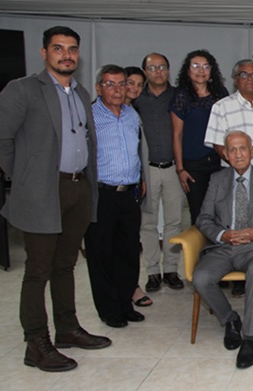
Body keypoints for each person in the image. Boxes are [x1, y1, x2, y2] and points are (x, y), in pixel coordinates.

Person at [0, 25, 111, 372]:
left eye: (72, 49)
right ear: (45, 53)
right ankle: (36, 342)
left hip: (77, 188)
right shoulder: (24, 90)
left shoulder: (80, 92)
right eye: (59, 48)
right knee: (37, 269)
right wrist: (26, 179)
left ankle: (67, 328)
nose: (66, 55)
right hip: (43, 191)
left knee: (66, 265)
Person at [192, 131, 253, 369]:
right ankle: (230, 319)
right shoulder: (217, 179)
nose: (238, 154)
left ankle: (249, 337)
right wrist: (222, 235)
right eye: (233, 150)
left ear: (252, 150)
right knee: (201, 277)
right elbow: (203, 218)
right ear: (225, 154)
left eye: (243, 148)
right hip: (223, 245)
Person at [203, 58, 253, 296]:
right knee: (236, 219)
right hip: (234, 175)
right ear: (235, 79)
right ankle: (239, 279)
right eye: (244, 75)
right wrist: (239, 163)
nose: (249, 79)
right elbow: (217, 142)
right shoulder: (221, 107)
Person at [83, 65, 145, 330]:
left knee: (128, 253)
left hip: (129, 195)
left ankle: (124, 304)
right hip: (101, 195)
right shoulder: (88, 116)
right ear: (99, 88)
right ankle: (109, 310)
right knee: (101, 254)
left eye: (122, 84)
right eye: (110, 84)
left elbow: (139, 151)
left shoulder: (132, 115)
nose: (117, 90)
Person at [135, 52, 186, 294]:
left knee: (174, 222)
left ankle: (171, 270)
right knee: (148, 223)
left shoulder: (179, 97)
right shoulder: (135, 97)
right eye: (152, 68)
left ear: (169, 70)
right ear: (145, 72)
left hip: (174, 169)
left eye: (162, 67)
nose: (158, 71)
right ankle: (153, 272)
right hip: (148, 170)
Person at [171, 49, 229, 226]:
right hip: (193, 165)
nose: (201, 70)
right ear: (188, 70)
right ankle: (199, 253)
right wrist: (180, 169)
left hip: (220, 162)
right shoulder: (182, 96)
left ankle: (218, 252)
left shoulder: (220, 94)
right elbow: (177, 134)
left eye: (205, 66)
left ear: (212, 71)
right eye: (195, 66)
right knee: (199, 213)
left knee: (221, 212)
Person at [122, 66, 154, 308]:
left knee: (130, 242)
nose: (133, 89)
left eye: (138, 85)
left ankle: (131, 287)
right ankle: (119, 295)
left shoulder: (133, 113)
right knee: (110, 246)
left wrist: (142, 177)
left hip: (132, 186)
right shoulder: (95, 111)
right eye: (129, 83)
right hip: (104, 189)